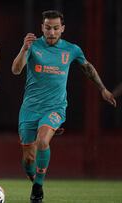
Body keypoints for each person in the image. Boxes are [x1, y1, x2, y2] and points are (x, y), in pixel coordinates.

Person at [11, 10, 116, 203]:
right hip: (30, 109)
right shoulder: (33, 46)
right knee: (28, 159)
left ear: (62, 29)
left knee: (43, 141)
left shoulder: (72, 49)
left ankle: (38, 187)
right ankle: (32, 175)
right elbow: (16, 70)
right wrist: (24, 49)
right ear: (42, 27)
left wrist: (103, 89)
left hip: (55, 108)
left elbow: (88, 68)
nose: (51, 32)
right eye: (48, 28)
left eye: (56, 28)